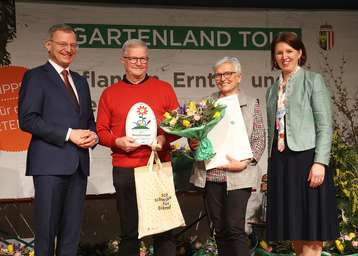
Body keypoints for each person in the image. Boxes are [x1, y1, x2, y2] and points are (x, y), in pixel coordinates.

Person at [18, 24, 97, 256]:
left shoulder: (80, 81)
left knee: (71, 236)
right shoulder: (35, 77)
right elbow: (28, 119)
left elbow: (89, 121)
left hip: (79, 167)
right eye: (62, 44)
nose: (68, 49)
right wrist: (68, 134)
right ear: (48, 45)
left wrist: (93, 135)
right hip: (49, 167)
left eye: (73, 45)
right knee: (46, 234)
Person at [96, 39, 179, 256]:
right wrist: (117, 142)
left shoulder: (164, 89)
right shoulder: (110, 93)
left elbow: (179, 126)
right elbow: (101, 131)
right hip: (125, 169)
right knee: (130, 231)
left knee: (164, 230)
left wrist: (164, 138)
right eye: (133, 58)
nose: (138, 63)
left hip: (157, 167)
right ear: (123, 60)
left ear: (148, 61)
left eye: (143, 58)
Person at [266, 32, 338, 256]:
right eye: (279, 52)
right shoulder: (271, 89)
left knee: (311, 228)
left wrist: (320, 163)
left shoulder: (312, 80)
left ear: (300, 53)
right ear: (274, 57)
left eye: (289, 51)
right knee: (294, 227)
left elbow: (325, 125)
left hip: (307, 160)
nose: (284, 56)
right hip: (281, 162)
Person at [189, 56, 266, 256]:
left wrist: (245, 162)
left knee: (235, 228)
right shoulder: (206, 105)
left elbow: (258, 138)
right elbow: (196, 140)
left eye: (228, 73)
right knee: (220, 230)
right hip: (211, 176)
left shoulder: (251, 103)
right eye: (219, 74)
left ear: (239, 77)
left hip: (238, 177)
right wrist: (194, 142)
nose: (223, 78)